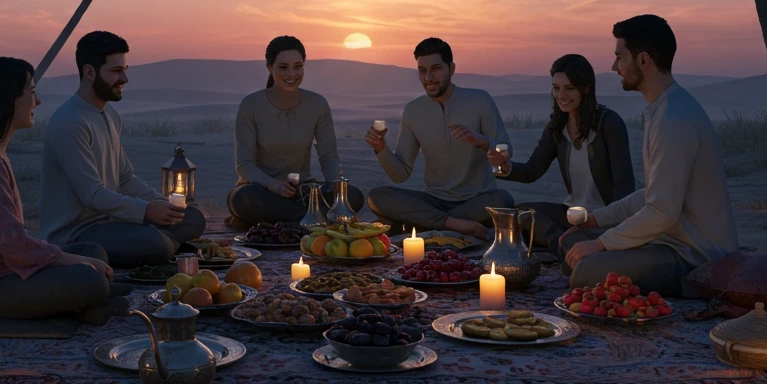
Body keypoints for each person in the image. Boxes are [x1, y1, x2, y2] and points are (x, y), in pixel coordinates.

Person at [0, 57, 131, 325]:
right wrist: (72, 263)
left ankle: (88, 305)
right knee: (87, 278)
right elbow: (15, 245)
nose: (37, 102)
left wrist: (74, 260)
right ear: (9, 99)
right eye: (32, 93)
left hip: (4, 270)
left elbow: (14, 246)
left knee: (91, 251)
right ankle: (91, 299)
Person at [556, 15, 739, 296]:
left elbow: (661, 212)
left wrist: (601, 244)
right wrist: (595, 220)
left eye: (620, 58)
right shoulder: (663, 110)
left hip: (694, 255)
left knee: (586, 270)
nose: (614, 67)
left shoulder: (673, 120)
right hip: (666, 240)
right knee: (574, 243)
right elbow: (652, 194)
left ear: (643, 60)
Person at [40, 31, 206, 267]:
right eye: (116, 71)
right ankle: (163, 245)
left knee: (193, 218)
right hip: (79, 232)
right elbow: (92, 195)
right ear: (89, 72)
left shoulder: (110, 114)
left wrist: (162, 204)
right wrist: (146, 210)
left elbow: (125, 178)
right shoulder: (70, 121)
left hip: (114, 221)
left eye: (125, 70)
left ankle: (164, 244)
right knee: (156, 245)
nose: (125, 79)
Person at [365, 38, 514, 237]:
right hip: (434, 200)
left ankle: (424, 224)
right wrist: (381, 148)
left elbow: (505, 151)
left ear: (451, 69)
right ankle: (453, 224)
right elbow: (400, 175)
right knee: (378, 196)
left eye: (435, 69)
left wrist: (481, 141)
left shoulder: (480, 100)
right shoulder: (413, 110)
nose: (428, 77)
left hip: (477, 199)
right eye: (422, 70)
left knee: (503, 199)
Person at [488, 54, 635, 248]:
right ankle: (565, 245)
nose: (561, 95)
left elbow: (624, 184)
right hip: (573, 213)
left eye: (569, 88)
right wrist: (504, 166)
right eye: (556, 88)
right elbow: (532, 171)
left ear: (586, 88)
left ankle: (568, 245)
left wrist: (613, 225)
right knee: (521, 215)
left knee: (547, 232)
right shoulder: (557, 127)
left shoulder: (609, 123)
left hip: (604, 218)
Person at [226, 35, 365, 227]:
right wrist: (273, 185)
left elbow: (329, 156)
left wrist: (338, 191)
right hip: (262, 190)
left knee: (353, 195)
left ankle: (295, 221)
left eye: (297, 66)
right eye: (283, 67)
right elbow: (245, 165)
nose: (291, 74)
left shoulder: (317, 104)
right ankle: (313, 220)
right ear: (269, 67)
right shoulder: (251, 105)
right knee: (243, 199)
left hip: (303, 192)